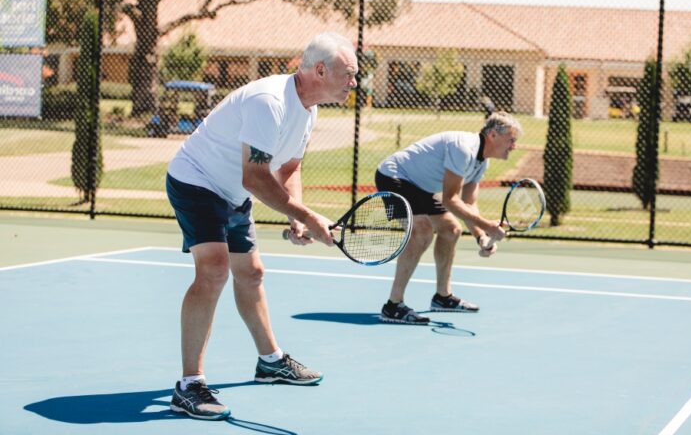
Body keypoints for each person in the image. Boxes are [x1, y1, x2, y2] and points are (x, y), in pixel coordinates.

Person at [166, 32, 358, 420]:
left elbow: (288, 167)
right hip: (196, 181)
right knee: (214, 270)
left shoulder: (309, 107)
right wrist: (308, 217)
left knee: (251, 273)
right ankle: (188, 386)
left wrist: (295, 213)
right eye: (349, 74)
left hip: (234, 191)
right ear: (320, 70)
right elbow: (255, 177)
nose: (354, 83)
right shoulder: (269, 102)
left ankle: (271, 363)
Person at [375, 111, 523, 324]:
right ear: (492, 135)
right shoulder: (464, 148)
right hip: (395, 176)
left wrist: (481, 236)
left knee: (451, 229)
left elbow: (469, 204)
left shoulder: (482, 162)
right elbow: (450, 200)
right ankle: (393, 305)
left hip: (420, 185)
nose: (513, 146)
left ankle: (443, 297)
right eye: (511, 140)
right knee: (422, 231)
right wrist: (488, 225)